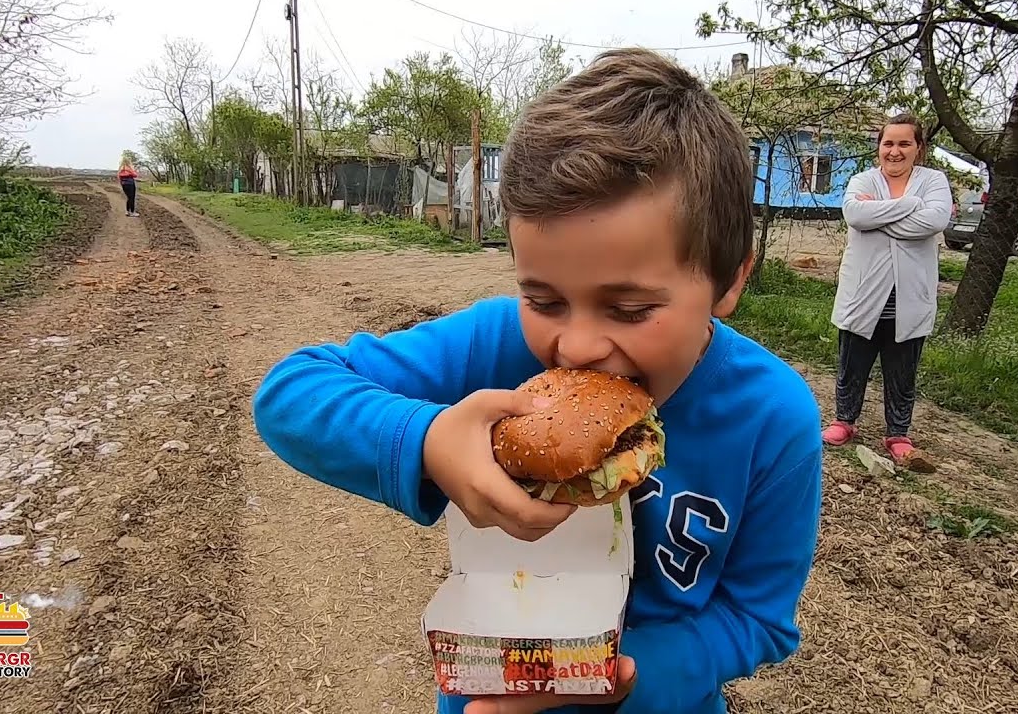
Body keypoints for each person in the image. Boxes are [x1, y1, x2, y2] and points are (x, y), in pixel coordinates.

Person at [252, 48, 822, 714]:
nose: (575, 347)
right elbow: (290, 391)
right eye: (544, 300)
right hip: (489, 689)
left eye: (631, 308)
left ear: (731, 282)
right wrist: (429, 438)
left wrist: (612, 683)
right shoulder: (494, 347)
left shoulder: (775, 418)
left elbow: (759, 619)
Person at [821, 113, 952, 473]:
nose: (895, 151)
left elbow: (935, 221)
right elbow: (855, 215)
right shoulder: (863, 179)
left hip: (909, 296)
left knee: (902, 369)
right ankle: (845, 421)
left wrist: (880, 217)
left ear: (919, 148)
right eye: (888, 143)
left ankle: (898, 433)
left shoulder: (934, 181)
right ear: (879, 147)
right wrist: (909, 207)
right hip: (864, 293)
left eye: (904, 143)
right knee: (853, 363)